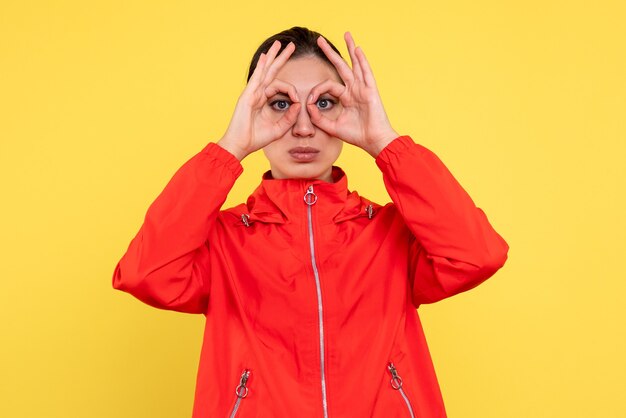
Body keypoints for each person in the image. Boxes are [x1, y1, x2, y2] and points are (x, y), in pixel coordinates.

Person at [112, 26, 509, 418]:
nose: (303, 127)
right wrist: (229, 147)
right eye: (280, 103)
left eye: (324, 103)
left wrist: (384, 141)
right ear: (250, 110)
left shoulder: (389, 235)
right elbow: (145, 274)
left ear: (349, 107)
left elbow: (477, 255)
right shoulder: (224, 242)